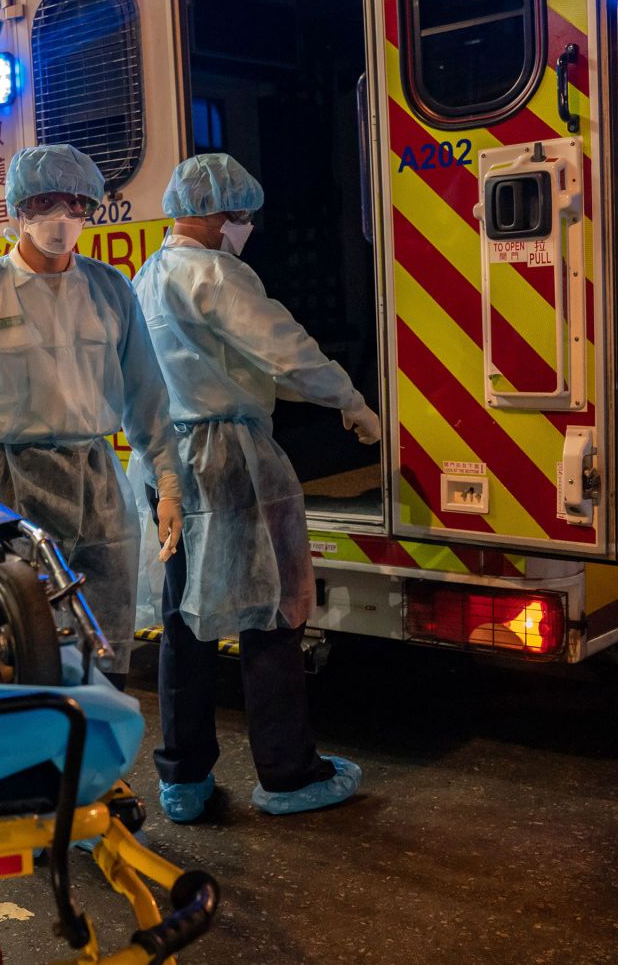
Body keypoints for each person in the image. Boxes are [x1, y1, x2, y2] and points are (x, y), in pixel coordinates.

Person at [128, 153, 380, 823]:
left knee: (184, 619)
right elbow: (282, 347)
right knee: (266, 609)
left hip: (164, 461)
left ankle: (182, 778)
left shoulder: (146, 276)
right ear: (214, 214)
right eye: (239, 215)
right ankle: (287, 772)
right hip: (225, 455)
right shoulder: (215, 271)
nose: (244, 226)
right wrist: (348, 398)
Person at [0, 144, 183, 687]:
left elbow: (147, 397)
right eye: (46, 202)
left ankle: (100, 768)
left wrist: (168, 481)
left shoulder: (110, 291)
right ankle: (37, 766)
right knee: (22, 649)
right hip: (4, 488)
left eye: (77, 204)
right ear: (17, 210)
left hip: (96, 489)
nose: (62, 218)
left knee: (101, 649)